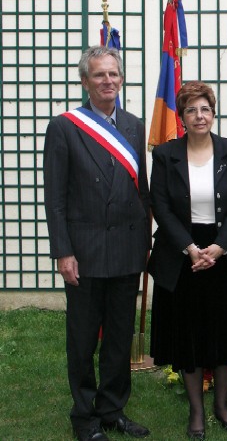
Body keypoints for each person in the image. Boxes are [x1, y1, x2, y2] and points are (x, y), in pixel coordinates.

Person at [44, 46, 151, 441]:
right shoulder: (65, 127)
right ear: (85, 82)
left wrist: (143, 242)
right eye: (99, 75)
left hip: (125, 249)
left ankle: (113, 409)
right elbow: (55, 197)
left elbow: (141, 190)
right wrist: (63, 251)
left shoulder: (135, 125)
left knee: (120, 338)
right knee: (84, 339)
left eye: (114, 75)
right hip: (84, 253)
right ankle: (84, 416)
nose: (108, 81)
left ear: (121, 79)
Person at [148, 81, 227, 439]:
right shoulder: (165, 155)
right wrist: (190, 248)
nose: (199, 116)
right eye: (192, 110)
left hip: (225, 253)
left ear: (214, 113)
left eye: (205, 109)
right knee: (189, 335)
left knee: (225, 334)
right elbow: (160, 206)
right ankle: (196, 411)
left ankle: (221, 406)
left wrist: (219, 247)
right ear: (181, 117)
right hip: (182, 253)